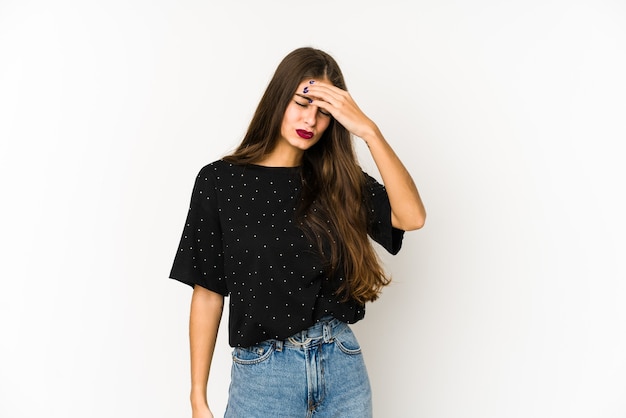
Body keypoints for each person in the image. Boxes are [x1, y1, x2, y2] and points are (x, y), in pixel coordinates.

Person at [169, 46, 426, 418]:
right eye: (302, 102)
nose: (312, 119)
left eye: (325, 112)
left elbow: (411, 217)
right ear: (279, 98)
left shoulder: (339, 181)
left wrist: (369, 131)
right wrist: (197, 396)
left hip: (342, 367)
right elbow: (208, 292)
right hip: (264, 378)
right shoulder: (220, 181)